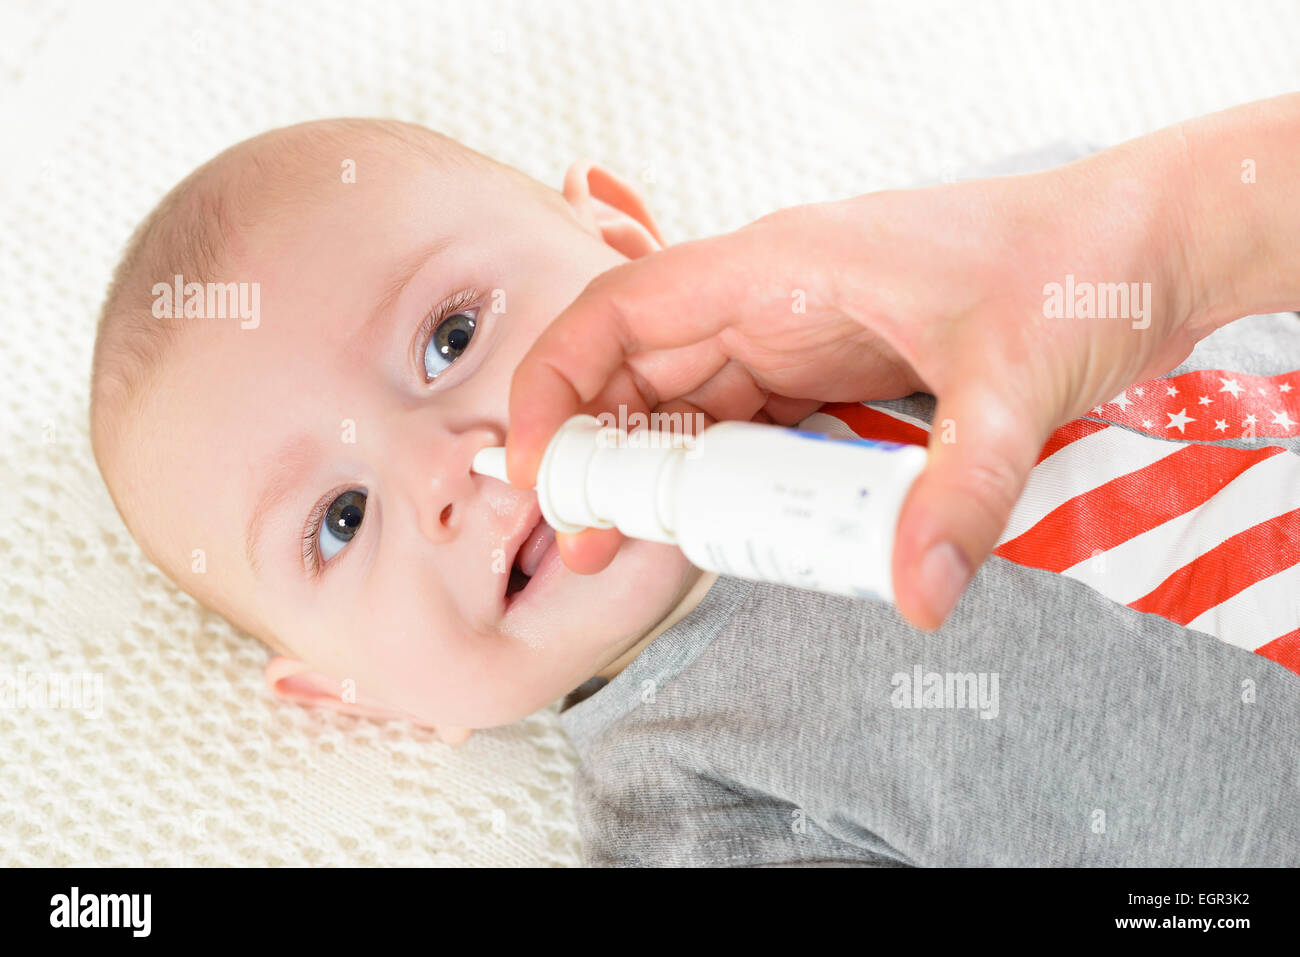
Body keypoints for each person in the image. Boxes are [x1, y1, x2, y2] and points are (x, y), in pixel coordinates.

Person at [505, 93, 1300, 630]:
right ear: (387, 713)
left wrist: (1179, 224)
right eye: (368, 512)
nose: (446, 465)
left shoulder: (907, 266)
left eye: (454, 336)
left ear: (620, 248)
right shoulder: (685, 802)